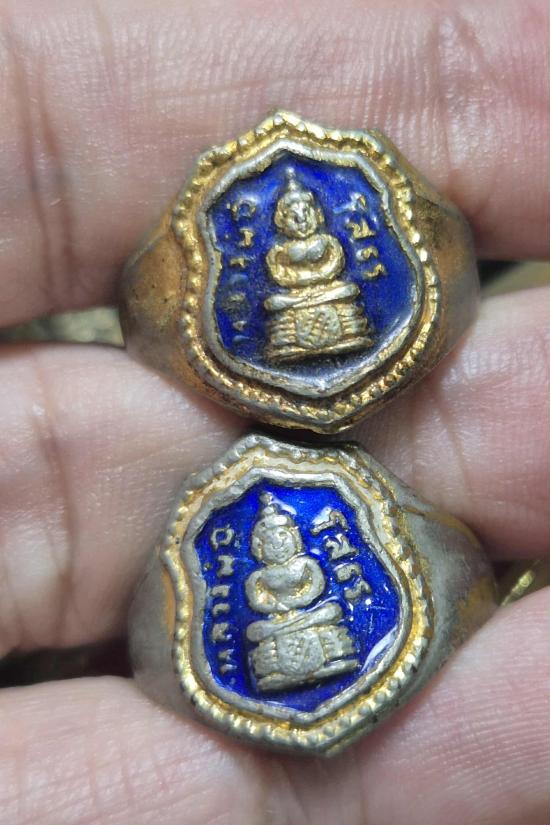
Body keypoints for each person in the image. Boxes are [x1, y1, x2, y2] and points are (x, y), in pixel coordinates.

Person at [0, 1, 547, 823]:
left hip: (332, 322)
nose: (296, 221)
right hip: (283, 336)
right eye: (286, 216)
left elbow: (326, 260)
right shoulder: (258, 561)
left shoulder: (334, 239)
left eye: (301, 214)